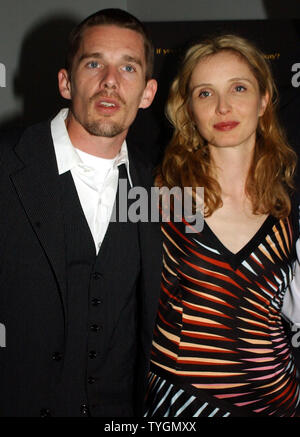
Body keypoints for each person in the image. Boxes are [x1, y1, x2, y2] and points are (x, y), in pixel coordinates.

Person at [0, 8, 162, 417]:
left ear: (147, 92)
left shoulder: (159, 187)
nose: (110, 80)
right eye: (94, 63)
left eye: (128, 66)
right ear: (66, 82)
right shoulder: (5, 165)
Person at [144, 34, 300, 417]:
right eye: (205, 94)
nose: (223, 106)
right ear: (188, 108)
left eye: (239, 88)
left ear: (263, 100)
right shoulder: (157, 198)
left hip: (280, 402)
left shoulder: (288, 204)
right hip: (183, 403)